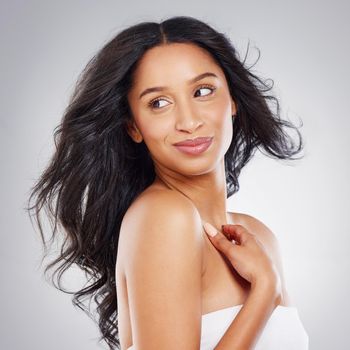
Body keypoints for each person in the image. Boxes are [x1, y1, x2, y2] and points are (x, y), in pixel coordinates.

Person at [26, 15, 309, 350]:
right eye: (159, 103)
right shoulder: (164, 217)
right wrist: (263, 292)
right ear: (134, 126)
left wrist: (267, 282)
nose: (188, 121)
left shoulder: (258, 237)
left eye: (203, 91)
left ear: (232, 99)